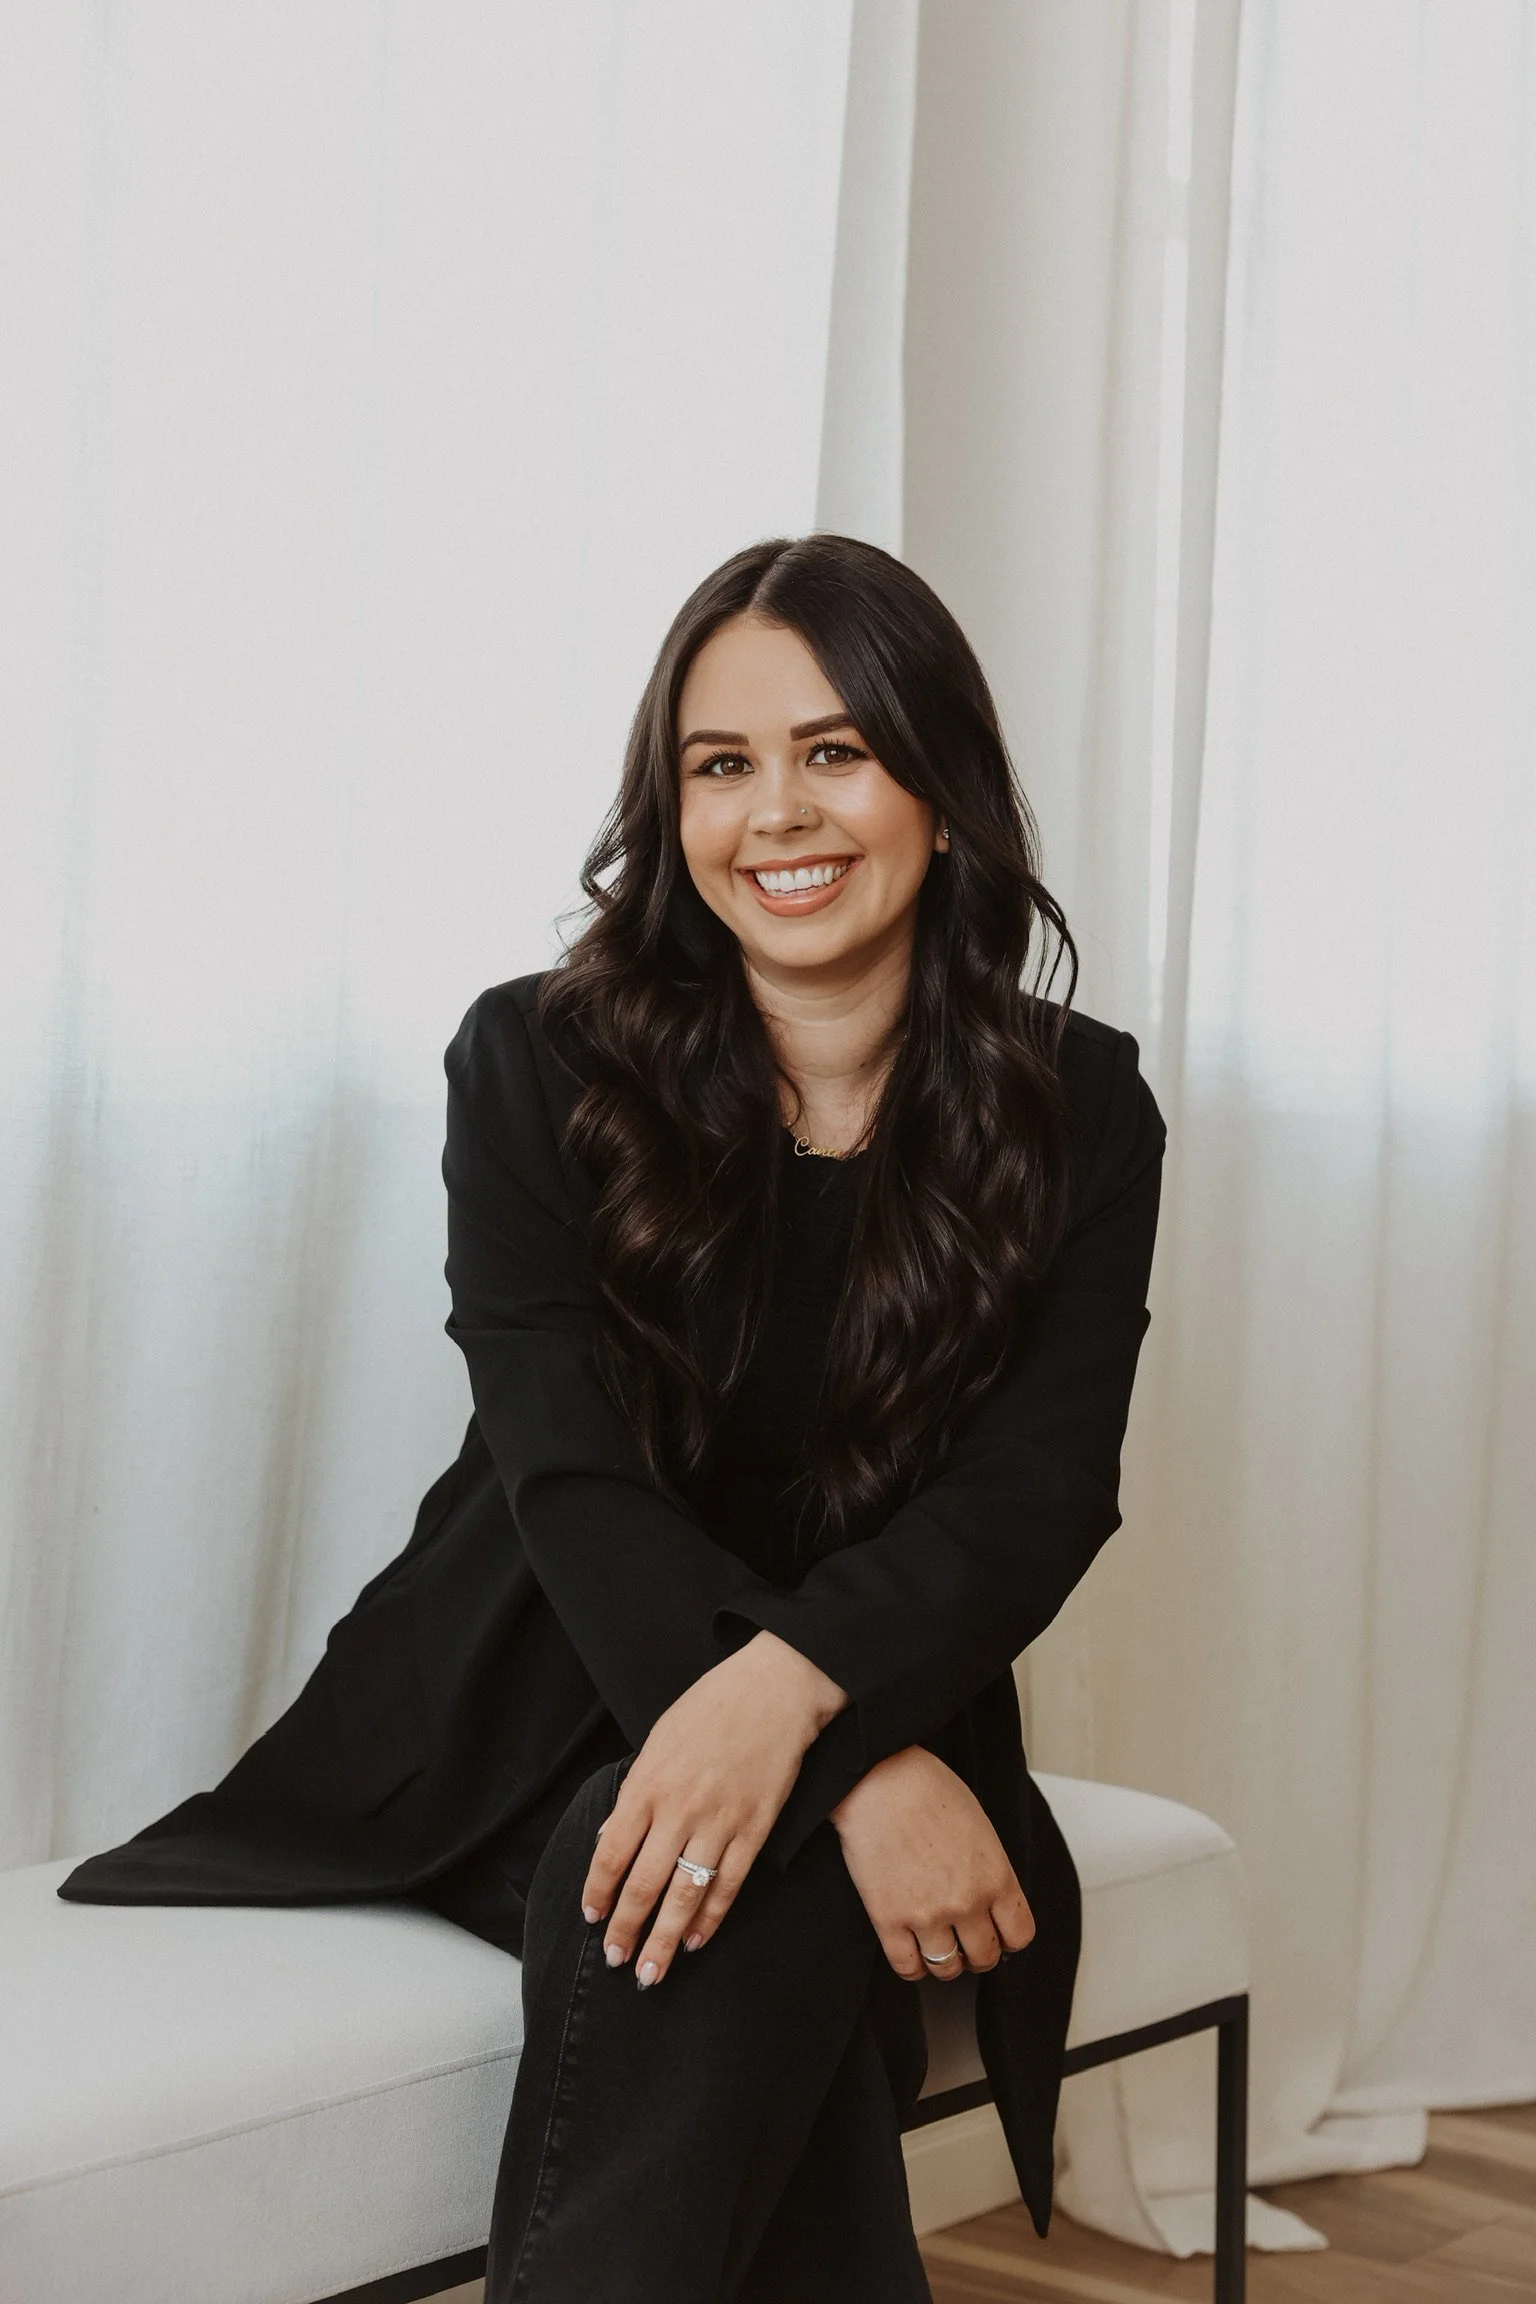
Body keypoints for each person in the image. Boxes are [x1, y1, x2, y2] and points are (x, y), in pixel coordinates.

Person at [59, 534, 1166, 2302]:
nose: (777, 814)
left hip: (870, 1669)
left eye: (836, 751)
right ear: (673, 811)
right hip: (525, 1678)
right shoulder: (533, 1059)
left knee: (719, 1877)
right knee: (751, 1879)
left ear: (940, 788)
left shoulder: (1083, 1106)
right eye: (721, 766)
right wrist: (854, 1760)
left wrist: (792, 1712)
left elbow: (1039, 1494)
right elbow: (561, 1472)